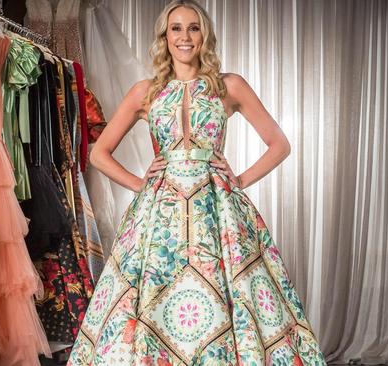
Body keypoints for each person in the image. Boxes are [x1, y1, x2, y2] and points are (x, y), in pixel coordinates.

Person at [67, 1, 325, 364]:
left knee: (226, 291)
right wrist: (140, 183)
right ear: (164, 36)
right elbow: (98, 154)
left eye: (193, 28)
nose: (184, 37)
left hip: (217, 210)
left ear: (204, 35)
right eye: (176, 28)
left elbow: (279, 144)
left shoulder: (229, 85)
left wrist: (238, 180)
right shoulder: (146, 92)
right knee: (157, 292)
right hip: (160, 215)